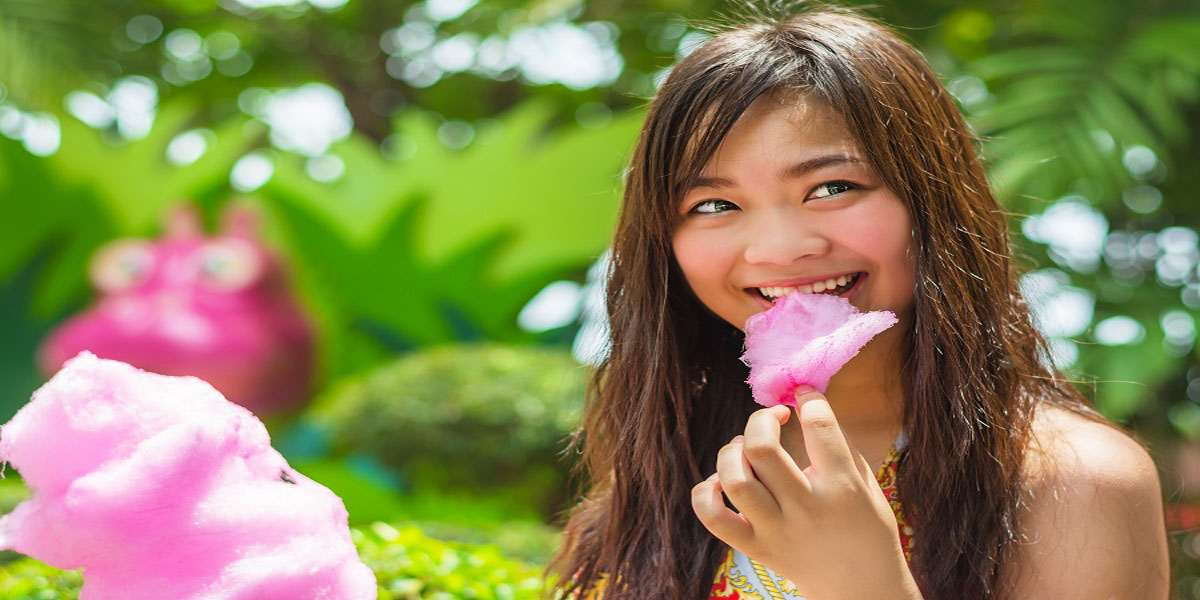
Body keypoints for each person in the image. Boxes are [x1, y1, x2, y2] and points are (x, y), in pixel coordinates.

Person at [545, 3, 1171, 599]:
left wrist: (866, 584)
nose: (781, 248)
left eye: (832, 187)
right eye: (714, 205)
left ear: (932, 201)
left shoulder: (1073, 481)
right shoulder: (676, 453)